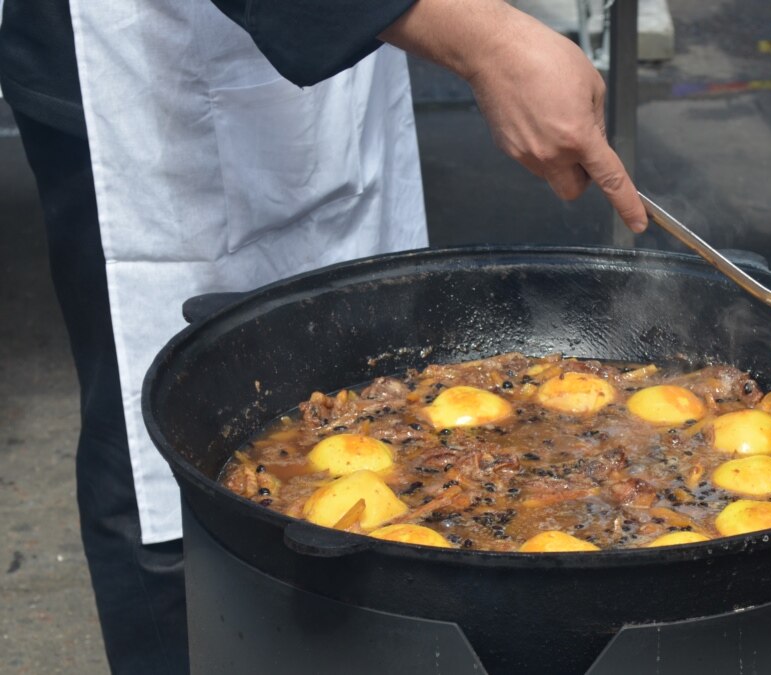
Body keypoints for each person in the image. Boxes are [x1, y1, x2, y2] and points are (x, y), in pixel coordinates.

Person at [0, 0, 647, 671]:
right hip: (153, 81)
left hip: (346, 70)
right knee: (181, 479)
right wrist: (488, 39)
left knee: (371, 343)